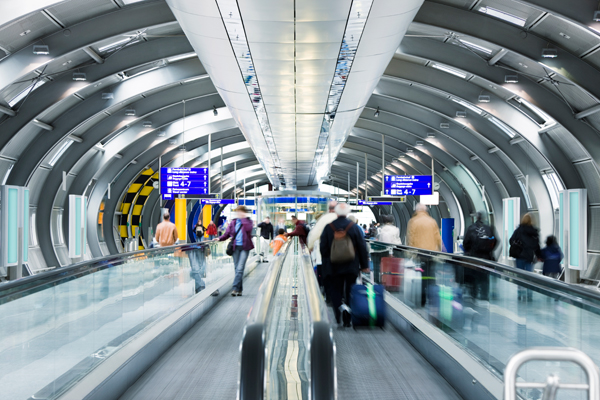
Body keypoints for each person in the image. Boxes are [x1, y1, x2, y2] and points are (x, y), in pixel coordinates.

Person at [320, 203, 369, 327]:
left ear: (336, 213)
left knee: (336, 290)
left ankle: (338, 315)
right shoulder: (354, 227)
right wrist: (364, 265)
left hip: (333, 266)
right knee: (350, 290)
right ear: (347, 213)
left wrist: (328, 261)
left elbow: (323, 248)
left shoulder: (328, 227)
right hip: (351, 265)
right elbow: (362, 247)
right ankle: (348, 318)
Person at [407, 203, 441, 306]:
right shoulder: (432, 221)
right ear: (426, 211)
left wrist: (410, 253)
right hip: (432, 253)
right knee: (431, 276)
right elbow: (437, 237)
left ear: (417, 210)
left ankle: (422, 300)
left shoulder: (413, 221)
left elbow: (410, 237)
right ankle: (432, 299)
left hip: (419, 253)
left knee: (422, 277)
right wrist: (441, 250)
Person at [218, 205, 254, 296]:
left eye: (240, 212)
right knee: (237, 269)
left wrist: (243, 218)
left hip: (245, 248)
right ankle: (239, 289)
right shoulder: (233, 222)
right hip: (235, 248)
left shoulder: (248, 221)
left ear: (244, 212)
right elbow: (227, 234)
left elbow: (248, 229)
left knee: (240, 268)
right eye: (237, 212)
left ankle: (234, 288)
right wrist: (219, 239)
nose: (238, 213)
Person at [307, 201, 338, 303]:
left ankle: (329, 297)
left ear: (329, 209)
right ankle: (341, 299)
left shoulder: (324, 219)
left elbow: (314, 235)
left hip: (326, 255)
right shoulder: (344, 219)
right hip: (343, 256)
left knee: (328, 277)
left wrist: (310, 247)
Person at [462, 211, 496, 301]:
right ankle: (485, 296)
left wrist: (469, 250)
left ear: (476, 218)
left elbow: (465, 243)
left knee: (474, 276)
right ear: (484, 218)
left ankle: (474, 295)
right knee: (484, 277)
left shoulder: (471, 228)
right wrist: (490, 250)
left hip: (474, 257)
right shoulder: (489, 229)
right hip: (486, 257)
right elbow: (496, 240)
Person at [509, 213, 541, 301]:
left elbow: (511, 240)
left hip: (519, 255)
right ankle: (529, 294)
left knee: (520, 275)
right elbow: (536, 246)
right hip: (529, 257)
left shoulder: (518, 230)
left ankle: (520, 294)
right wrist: (539, 255)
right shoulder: (534, 232)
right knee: (529, 276)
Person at [371, 215, 401, 284]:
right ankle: (391, 281)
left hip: (381, 250)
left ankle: (377, 280)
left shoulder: (380, 229)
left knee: (379, 266)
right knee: (391, 266)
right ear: (392, 221)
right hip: (393, 250)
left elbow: (378, 239)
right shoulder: (396, 229)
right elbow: (396, 241)